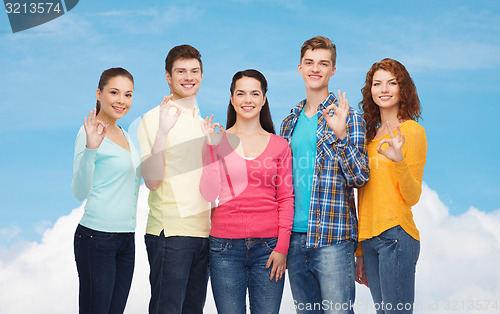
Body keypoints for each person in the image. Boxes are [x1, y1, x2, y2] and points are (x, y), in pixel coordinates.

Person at [280, 36, 370, 314]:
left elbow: (360, 177)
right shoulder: (289, 122)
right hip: (294, 239)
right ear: (299, 68)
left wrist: (341, 135)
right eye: (309, 63)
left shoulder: (350, 117)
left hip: (333, 236)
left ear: (333, 70)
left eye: (323, 63)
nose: (315, 69)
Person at [200, 69, 294, 314]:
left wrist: (282, 247)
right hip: (225, 249)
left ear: (264, 99)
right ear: (232, 99)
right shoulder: (218, 140)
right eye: (241, 93)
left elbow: (285, 198)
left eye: (255, 93)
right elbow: (209, 195)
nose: (248, 100)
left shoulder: (279, 145)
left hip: (269, 248)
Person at [137, 44, 210, 314]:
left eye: (194, 71)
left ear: (202, 75)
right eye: (181, 71)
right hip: (170, 233)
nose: (188, 77)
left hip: (203, 236)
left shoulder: (201, 122)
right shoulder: (153, 119)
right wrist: (163, 133)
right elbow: (152, 181)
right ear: (168, 76)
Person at [355, 58, 427, 314]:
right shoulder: (367, 136)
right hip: (370, 240)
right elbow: (362, 195)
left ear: (402, 88)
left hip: (396, 236)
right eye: (377, 84)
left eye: (391, 83)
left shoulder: (412, 132)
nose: (384, 89)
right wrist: (360, 249)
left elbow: (412, 195)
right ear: (370, 90)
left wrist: (398, 161)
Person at [71, 67, 141, 314]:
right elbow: (79, 191)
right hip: (96, 238)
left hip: (126, 239)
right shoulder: (88, 131)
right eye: (114, 92)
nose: (122, 101)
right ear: (99, 94)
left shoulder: (125, 134)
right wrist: (91, 148)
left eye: (128, 95)